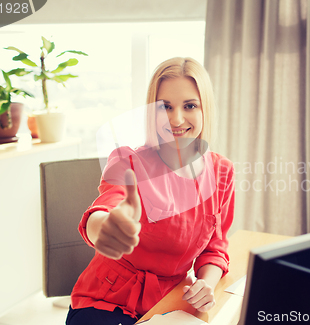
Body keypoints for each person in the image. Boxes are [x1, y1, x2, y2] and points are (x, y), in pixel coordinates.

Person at [66, 57, 235, 325]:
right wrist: (106, 227)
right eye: (164, 107)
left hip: (173, 303)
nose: (176, 119)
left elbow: (215, 247)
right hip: (106, 301)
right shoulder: (128, 161)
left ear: (206, 110)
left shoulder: (221, 171)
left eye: (189, 105)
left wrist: (206, 283)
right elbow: (105, 207)